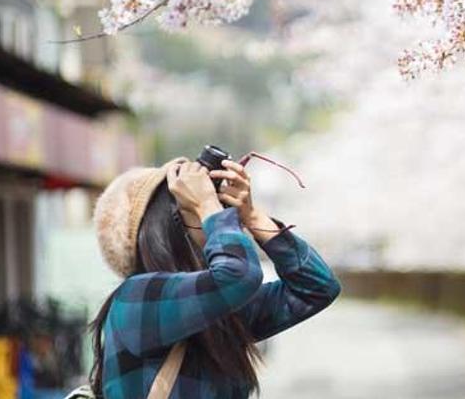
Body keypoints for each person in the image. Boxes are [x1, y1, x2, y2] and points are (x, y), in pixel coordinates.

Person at [88, 157, 340, 398]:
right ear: (167, 226)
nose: (219, 213)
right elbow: (239, 275)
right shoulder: (136, 299)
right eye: (195, 206)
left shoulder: (215, 308)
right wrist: (207, 206)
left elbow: (317, 286)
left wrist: (252, 215)